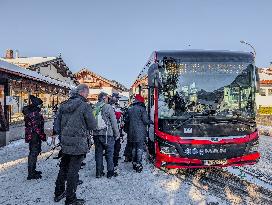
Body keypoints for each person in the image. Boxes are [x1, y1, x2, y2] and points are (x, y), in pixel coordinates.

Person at [54, 84, 96, 205]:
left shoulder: (63, 105)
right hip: (78, 143)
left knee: (63, 167)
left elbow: (56, 126)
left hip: (65, 142)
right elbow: (92, 125)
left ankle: (58, 193)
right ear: (83, 93)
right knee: (73, 171)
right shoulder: (85, 106)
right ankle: (70, 199)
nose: (87, 96)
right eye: (87, 93)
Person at [93, 92, 120, 179]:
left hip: (96, 134)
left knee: (98, 154)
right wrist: (117, 134)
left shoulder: (94, 107)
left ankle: (99, 172)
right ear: (104, 98)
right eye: (107, 98)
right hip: (107, 134)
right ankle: (110, 172)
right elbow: (114, 122)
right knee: (109, 153)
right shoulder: (108, 107)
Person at [22, 95, 46, 180]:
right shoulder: (34, 113)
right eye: (40, 105)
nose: (41, 106)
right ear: (37, 105)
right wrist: (43, 136)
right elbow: (36, 127)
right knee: (33, 153)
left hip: (32, 135)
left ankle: (33, 170)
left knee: (34, 152)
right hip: (34, 135)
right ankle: (31, 173)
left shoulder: (31, 111)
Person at [128, 94, 150, 173]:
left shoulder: (130, 109)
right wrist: (151, 121)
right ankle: (138, 164)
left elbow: (127, 120)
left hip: (131, 132)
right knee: (139, 148)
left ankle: (134, 163)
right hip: (140, 132)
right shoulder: (142, 109)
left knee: (134, 147)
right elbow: (145, 121)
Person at [109, 93, 123, 175]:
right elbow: (113, 117)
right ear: (112, 97)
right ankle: (113, 166)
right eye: (116, 97)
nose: (117, 99)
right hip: (112, 130)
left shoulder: (116, 105)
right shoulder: (109, 106)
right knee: (114, 148)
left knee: (117, 147)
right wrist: (119, 114)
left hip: (117, 129)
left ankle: (114, 163)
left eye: (118, 97)